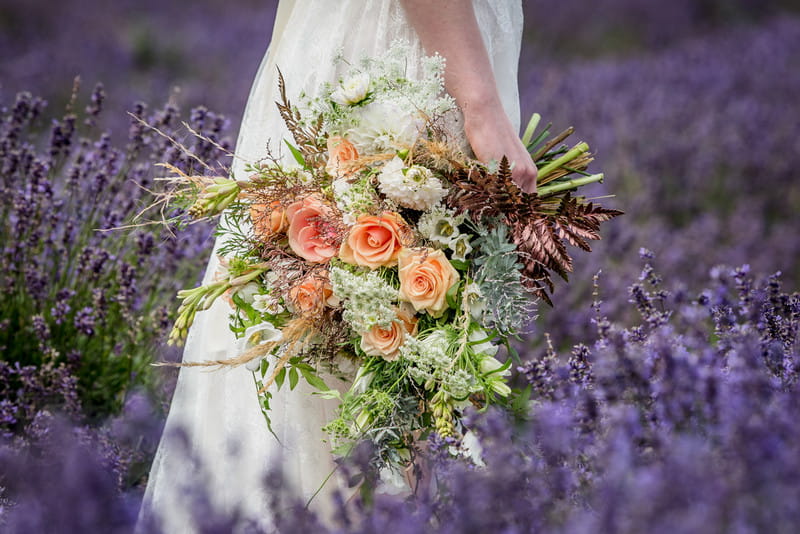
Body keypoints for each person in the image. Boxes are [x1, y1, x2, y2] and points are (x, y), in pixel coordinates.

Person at [138, 1, 527, 531]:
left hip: (396, 45)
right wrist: (480, 105)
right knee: (370, 356)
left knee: (379, 354)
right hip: (406, 62)